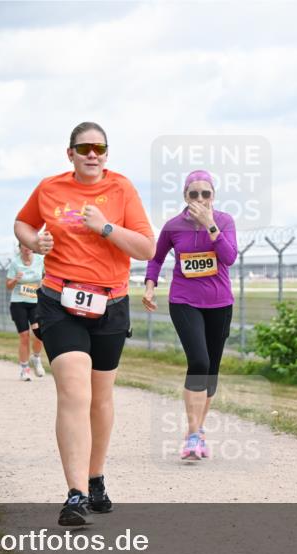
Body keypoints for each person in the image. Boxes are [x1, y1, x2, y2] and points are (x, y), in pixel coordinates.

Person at [15, 121, 154, 526]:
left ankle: (96, 478)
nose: (93, 154)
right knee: (74, 390)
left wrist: (106, 228)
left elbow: (146, 248)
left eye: (100, 147)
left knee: (100, 397)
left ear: (106, 154)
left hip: (110, 303)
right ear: (70, 153)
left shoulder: (122, 189)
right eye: (84, 148)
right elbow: (22, 223)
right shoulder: (50, 188)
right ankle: (74, 494)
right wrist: (33, 241)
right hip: (59, 299)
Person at [144, 170, 237, 461]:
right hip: (184, 301)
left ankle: (196, 432)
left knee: (211, 369)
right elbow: (156, 258)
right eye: (193, 194)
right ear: (185, 196)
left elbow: (229, 257)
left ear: (213, 196)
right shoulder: (173, 227)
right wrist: (150, 286)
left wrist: (210, 225)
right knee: (198, 361)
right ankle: (194, 434)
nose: (199, 199)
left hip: (219, 303)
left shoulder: (224, 221)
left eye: (205, 194)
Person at [6, 242, 46, 381]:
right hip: (19, 302)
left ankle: (36, 358)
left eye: (29, 244)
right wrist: (16, 279)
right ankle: (24, 368)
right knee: (24, 335)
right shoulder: (15, 263)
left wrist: (43, 282)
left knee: (38, 334)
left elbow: (47, 276)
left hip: (36, 302)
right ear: (20, 247)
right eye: (24, 245)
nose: (27, 247)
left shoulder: (40, 260)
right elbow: (8, 286)